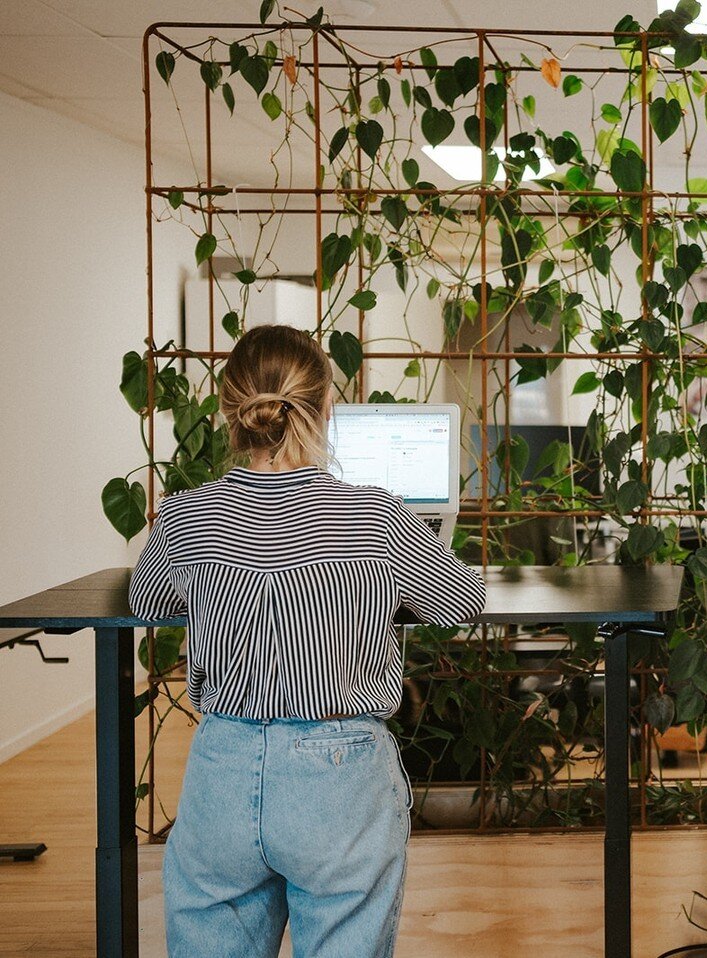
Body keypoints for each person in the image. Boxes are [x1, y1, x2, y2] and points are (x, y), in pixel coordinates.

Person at [129, 324, 486, 958]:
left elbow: (148, 600)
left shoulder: (187, 514)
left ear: (228, 411)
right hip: (341, 777)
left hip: (224, 766)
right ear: (325, 409)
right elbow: (461, 599)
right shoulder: (377, 513)